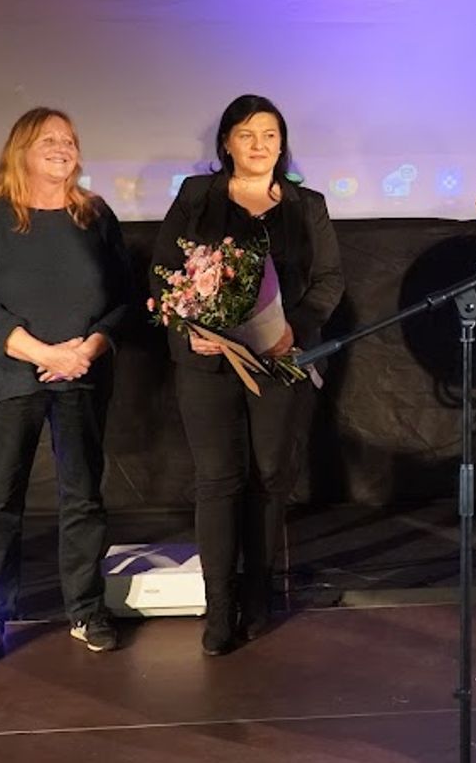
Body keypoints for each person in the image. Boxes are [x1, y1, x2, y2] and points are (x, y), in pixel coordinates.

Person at [152, 95, 343, 656]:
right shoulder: (197, 196)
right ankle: (219, 608)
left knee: (269, 477)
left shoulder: (307, 206)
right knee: (217, 480)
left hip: (278, 360)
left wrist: (293, 330)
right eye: (246, 134)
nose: (259, 145)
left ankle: (258, 597)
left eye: (269, 135)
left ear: (282, 145)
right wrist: (188, 325)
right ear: (226, 143)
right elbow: (163, 270)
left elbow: (329, 280)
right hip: (207, 361)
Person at [0, 108, 132, 665]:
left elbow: (123, 298)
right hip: (11, 374)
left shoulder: (95, 214)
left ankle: (86, 608)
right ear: (21, 150)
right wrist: (45, 354)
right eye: (48, 139)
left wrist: (87, 350)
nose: (62, 147)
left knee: (83, 496)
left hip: (81, 373)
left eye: (69, 139)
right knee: (0, 499)